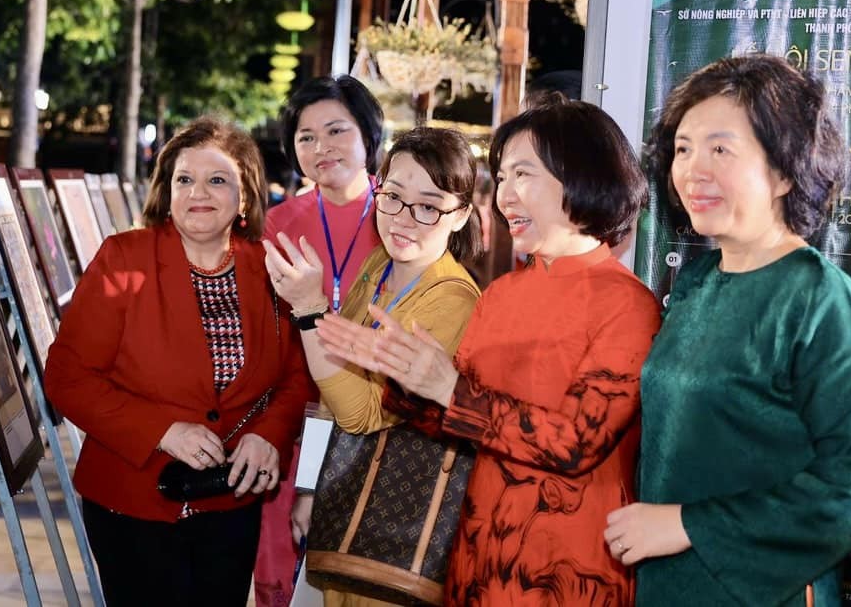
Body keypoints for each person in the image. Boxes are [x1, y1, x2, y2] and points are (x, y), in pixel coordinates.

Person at [318, 97, 660, 605]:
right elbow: (462, 426)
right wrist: (403, 379)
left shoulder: (628, 304)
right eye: (500, 179)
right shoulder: (502, 294)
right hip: (476, 561)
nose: (503, 197)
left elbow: (574, 444)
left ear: (583, 175)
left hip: (567, 569)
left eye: (523, 174)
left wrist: (444, 388)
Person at [605, 54, 851, 606]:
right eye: (684, 149)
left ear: (786, 170)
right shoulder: (697, 283)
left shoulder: (818, 297)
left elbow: (845, 490)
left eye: (721, 149)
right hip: (670, 586)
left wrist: (690, 525)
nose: (693, 170)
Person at [44, 117, 310, 606]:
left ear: (245, 196)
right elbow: (67, 377)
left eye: (217, 180)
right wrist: (164, 431)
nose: (198, 193)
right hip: (133, 503)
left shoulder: (272, 270)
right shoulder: (124, 259)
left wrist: (269, 435)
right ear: (167, 191)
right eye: (184, 179)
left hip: (231, 503)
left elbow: (294, 379)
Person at [264, 127, 483, 606]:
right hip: (344, 505)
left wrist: (309, 310)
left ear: (461, 213)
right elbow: (329, 388)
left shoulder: (452, 299)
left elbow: (361, 414)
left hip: (394, 529)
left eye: (429, 206)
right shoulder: (378, 265)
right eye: (394, 198)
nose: (405, 219)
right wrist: (307, 487)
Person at [256, 75, 385, 607]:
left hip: (371, 424)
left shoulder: (400, 216)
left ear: (368, 136)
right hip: (295, 420)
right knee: (282, 569)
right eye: (305, 137)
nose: (320, 147)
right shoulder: (279, 223)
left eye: (336, 130)